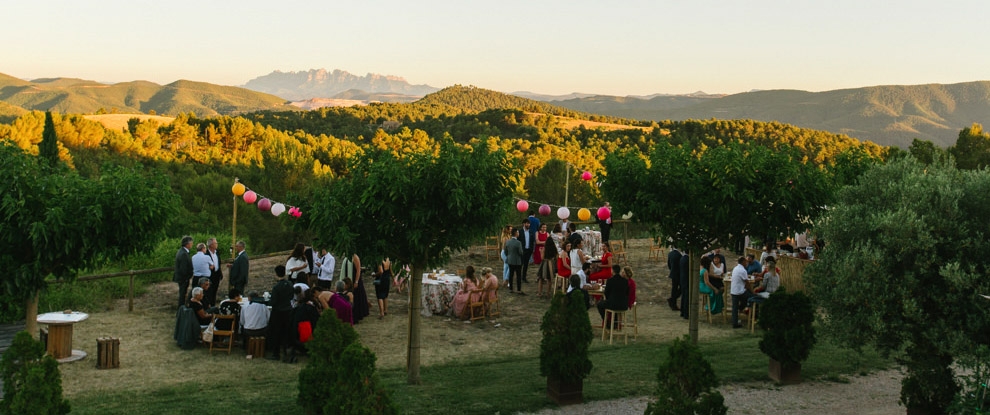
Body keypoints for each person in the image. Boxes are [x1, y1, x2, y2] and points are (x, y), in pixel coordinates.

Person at [267, 265, 294, 362]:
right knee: (286, 332)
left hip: (278, 311)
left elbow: (273, 301)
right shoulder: (290, 284)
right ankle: (286, 351)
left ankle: (276, 353)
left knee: (276, 332)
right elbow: (291, 296)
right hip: (288, 310)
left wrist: (269, 301)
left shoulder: (276, 287)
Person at [339, 253, 369, 323]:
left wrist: (356, 281)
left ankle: (356, 316)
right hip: (349, 281)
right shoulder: (346, 258)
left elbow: (358, 270)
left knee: (356, 298)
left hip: (355, 280)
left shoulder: (355, 257)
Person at [730, 257, 754, 328]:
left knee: (734, 307)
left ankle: (735, 323)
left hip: (733, 291)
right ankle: (750, 314)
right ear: (743, 262)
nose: (747, 263)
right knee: (751, 297)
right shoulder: (743, 270)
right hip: (740, 291)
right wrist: (752, 292)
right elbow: (747, 283)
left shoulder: (735, 268)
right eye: (746, 262)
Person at [173, 236, 194, 308]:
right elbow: (183, 268)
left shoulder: (181, 251)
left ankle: (181, 308)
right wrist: (187, 277)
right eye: (191, 243)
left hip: (182, 277)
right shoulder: (184, 254)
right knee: (182, 294)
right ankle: (181, 309)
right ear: (187, 244)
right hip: (183, 278)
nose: (192, 244)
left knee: (183, 294)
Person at [536, 234, 558, 298]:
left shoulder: (544, 249)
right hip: (551, 263)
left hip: (545, 263)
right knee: (549, 279)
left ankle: (540, 292)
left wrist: (540, 252)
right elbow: (556, 256)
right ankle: (548, 293)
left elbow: (542, 258)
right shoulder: (554, 249)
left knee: (541, 278)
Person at [504, 228, 524, 294]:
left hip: (510, 260)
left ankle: (511, 288)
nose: (518, 233)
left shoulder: (508, 242)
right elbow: (520, 252)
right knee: (518, 275)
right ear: (515, 233)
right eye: (518, 232)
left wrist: (509, 255)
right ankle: (518, 289)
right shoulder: (518, 243)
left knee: (511, 275)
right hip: (517, 261)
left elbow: (505, 251)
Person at [205, 238, 223, 308]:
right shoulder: (206, 253)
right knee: (209, 292)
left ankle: (213, 305)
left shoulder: (217, 252)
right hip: (209, 275)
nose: (217, 244)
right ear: (211, 245)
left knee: (215, 291)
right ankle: (208, 306)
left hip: (217, 274)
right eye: (215, 243)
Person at [518, 219, 535, 283]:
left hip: (528, 250)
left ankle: (524, 277)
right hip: (522, 250)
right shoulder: (520, 232)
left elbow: (532, 241)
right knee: (520, 264)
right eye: (526, 223)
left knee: (526, 264)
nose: (528, 225)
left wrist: (531, 249)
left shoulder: (530, 231)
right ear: (523, 224)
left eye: (528, 223)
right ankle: (519, 277)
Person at [667, 247, 683, 311]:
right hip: (678, 274)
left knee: (674, 288)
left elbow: (669, 264)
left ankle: (673, 301)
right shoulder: (679, 255)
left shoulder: (670, 254)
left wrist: (671, 270)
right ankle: (673, 300)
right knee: (681, 287)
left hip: (673, 273)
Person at [679, 251, 690, 319]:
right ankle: (686, 313)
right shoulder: (688, 260)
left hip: (682, 279)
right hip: (687, 280)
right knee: (686, 297)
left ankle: (682, 311)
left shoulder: (682, 258)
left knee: (683, 296)